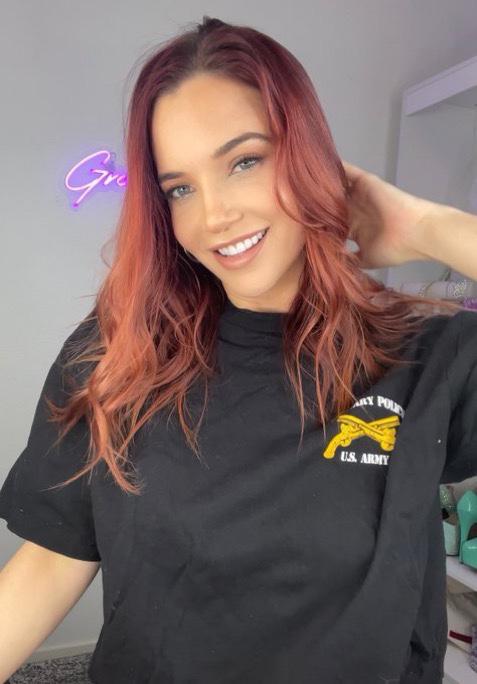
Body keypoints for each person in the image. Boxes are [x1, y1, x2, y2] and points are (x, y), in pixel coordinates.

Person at [0, 15, 476, 684]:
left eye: (244, 161)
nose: (213, 216)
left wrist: (428, 225)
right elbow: (52, 561)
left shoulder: (424, 356)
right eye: (180, 188)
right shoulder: (118, 349)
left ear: (308, 156)